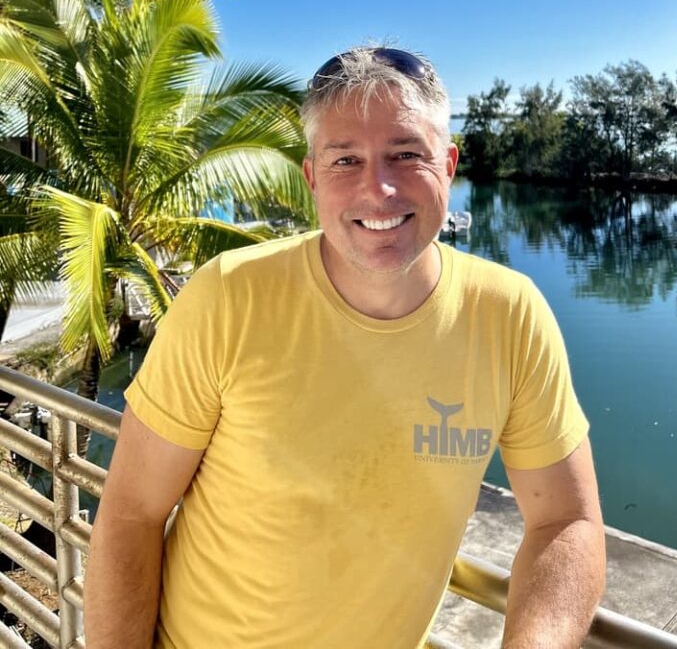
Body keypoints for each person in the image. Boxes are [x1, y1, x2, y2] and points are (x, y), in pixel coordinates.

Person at [84, 46, 605, 649]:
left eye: (406, 154)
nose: (377, 189)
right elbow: (131, 515)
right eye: (345, 160)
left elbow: (565, 521)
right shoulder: (229, 298)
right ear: (311, 177)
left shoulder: (509, 316)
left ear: (449, 164)